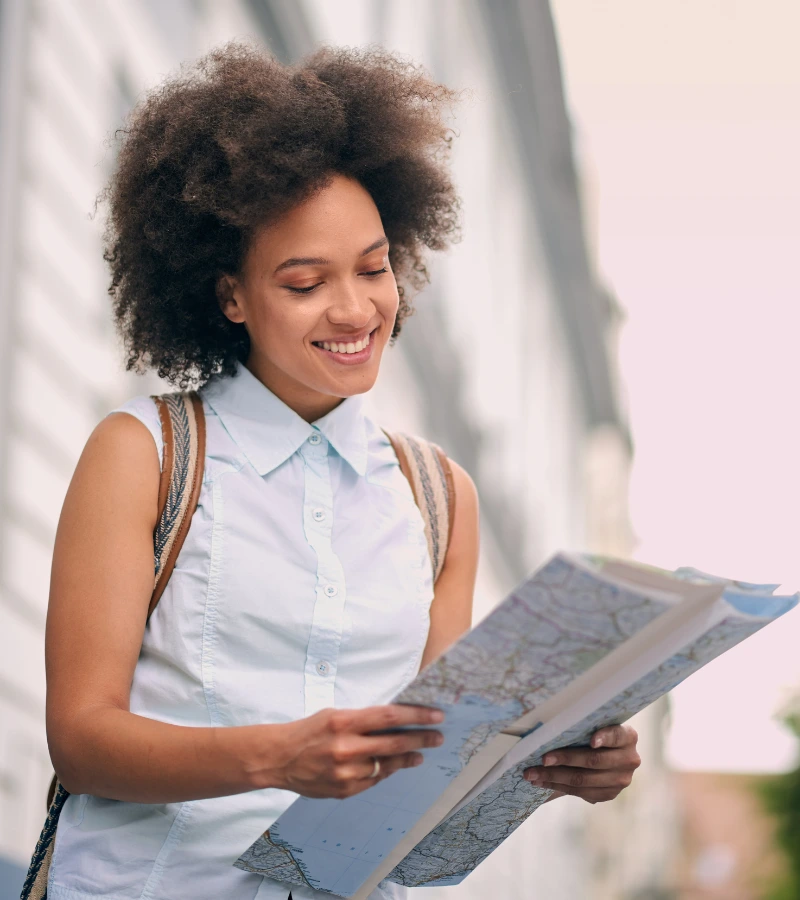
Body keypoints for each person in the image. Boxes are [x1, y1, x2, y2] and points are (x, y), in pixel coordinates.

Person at [44, 43, 641, 900]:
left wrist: (558, 764)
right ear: (230, 296)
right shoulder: (145, 453)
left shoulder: (440, 498)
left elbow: (433, 764)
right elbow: (82, 739)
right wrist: (277, 756)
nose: (356, 309)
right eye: (303, 282)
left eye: (373, 267)